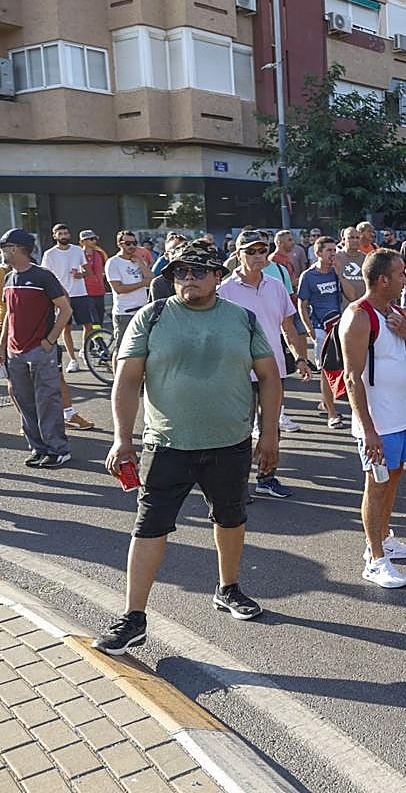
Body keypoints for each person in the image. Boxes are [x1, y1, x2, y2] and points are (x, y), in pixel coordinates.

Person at [93, 240, 280, 655]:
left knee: (230, 517)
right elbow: (126, 381)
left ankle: (228, 588)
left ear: (218, 276)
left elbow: (268, 377)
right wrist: (122, 437)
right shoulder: (152, 316)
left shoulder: (242, 319)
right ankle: (133, 618)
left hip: (231, 443)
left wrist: (269, 435)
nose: (188, 279)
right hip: (166, 443)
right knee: (149, 525)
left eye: (198, 271)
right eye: (180, 272)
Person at [340, 248, 406, 588]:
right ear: (384, 278)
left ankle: (385, 538)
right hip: (378, 425)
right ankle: (374, 559)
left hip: (403, 418)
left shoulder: (397, 313)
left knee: (394, 478)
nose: (405, 279)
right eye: (401, 274)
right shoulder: (358, 316)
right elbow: (351, 377)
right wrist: (369, 430)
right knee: (376, 486)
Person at [218, 229, 312, 498]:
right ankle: (237, 484)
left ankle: (267, 477)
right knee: (240, 429)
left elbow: (288, 326)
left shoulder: (276, 286)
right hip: (239, 372)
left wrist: (300, 357)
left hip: (274, 370)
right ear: (238, 255)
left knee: (271, 427)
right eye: (251, 251)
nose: (259, 256)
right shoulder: (224, 290)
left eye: (262, 250)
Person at [1, 228, 74, 468]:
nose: (2, 252)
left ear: (15, 248)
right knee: (24, 402)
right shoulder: (9, 278)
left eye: (4, 248)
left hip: (40, 351)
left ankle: (58, 450)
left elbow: (65, 309)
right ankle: (38, 448)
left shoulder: (43, 276)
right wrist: (2, 347)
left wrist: (50, 340)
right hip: (15, 353)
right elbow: (9, 317)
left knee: (47, 401)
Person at [298, 236, 345, 428]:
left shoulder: (336, 272)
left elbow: (350, 295)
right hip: (321, 329)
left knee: (346, 368)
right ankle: (332, 414)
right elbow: (302, 304)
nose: (333, 254)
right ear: (318, 253)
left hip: (340, 326)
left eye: (335, 250)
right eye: (329, 250)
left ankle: (327, 402)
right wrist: (309, 329)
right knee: (327, 370)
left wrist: (340, 274)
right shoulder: (308, 276)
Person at [40, 222, 91, 371]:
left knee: (88, 326)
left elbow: (88, 271)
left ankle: (85, 351)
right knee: (65, 328)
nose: (63, 236)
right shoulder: (49, 254)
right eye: (60, 234)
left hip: (80, 293)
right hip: (60, 296)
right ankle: (73, 360)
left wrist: (80, 274)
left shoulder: (77, 250)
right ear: (54, 236)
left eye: (66, 233)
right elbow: (46, 275)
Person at [105, 231, 152, 352]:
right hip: (124, 312)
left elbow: (151, 279)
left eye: (134, 243)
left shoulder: (138, 261)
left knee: (143, 347)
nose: (132, 246)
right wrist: (142, 283)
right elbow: (119, 289)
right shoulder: (113, 262)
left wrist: (141, 263)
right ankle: (117, 371)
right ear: (119, 244)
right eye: (128, 243)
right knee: (121, 349)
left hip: (142, 310)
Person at [79, 230, 109, 336]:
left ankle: (91, 346)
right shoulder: (78, 254)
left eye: (95, 238)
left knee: (99, 320)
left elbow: (104, 268)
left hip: (100, 291)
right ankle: (99, 344)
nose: (94, 241)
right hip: (86, 292)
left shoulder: (100, 254)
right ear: (83, 242)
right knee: (93, 321)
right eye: (91, 239)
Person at [335, 225, 368, 302]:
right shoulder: (335, 258)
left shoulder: (366, 259)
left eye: (357, 238)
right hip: (342, 306)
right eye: (351, 237)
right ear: (343, 239)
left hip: (363, 305)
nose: (355, 240)